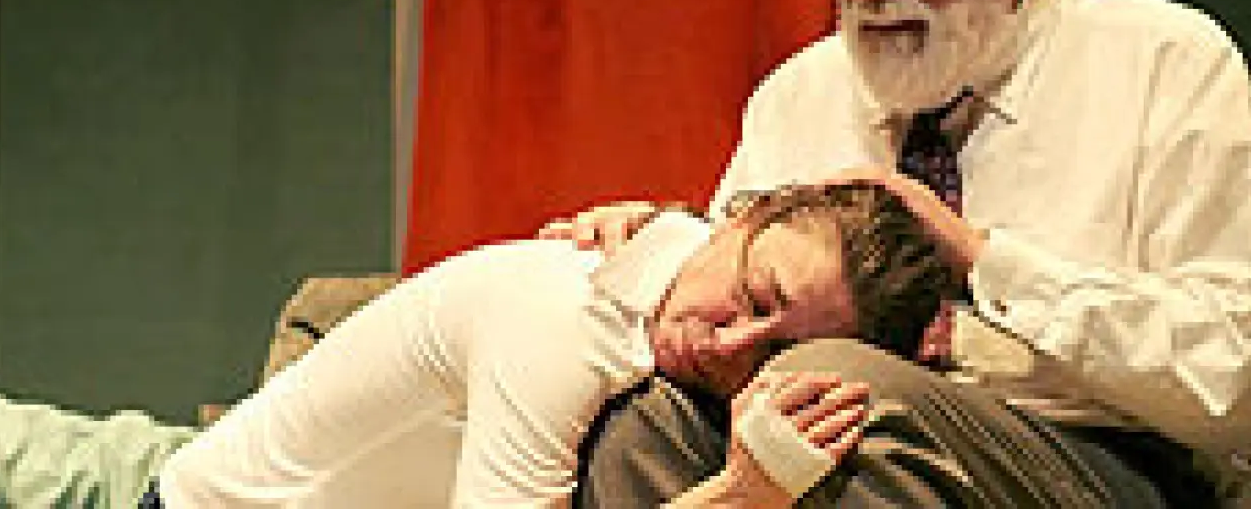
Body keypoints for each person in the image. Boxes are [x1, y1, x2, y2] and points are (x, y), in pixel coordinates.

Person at [569, 0, 1251, 506]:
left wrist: (981, 262)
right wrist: (659, 250)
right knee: (647, 419)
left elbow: (1232, 373)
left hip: (1109, 464)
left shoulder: (1166, 62)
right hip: (850, 429)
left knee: (841, 393)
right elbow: (732, 318)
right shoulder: (802, 93)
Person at [144, 182, 953, 507]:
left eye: (774, 354)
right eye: (754, 299)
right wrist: (741, 497)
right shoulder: (560, 322)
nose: (730, 344)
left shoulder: (679, 259)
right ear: (737, 221)